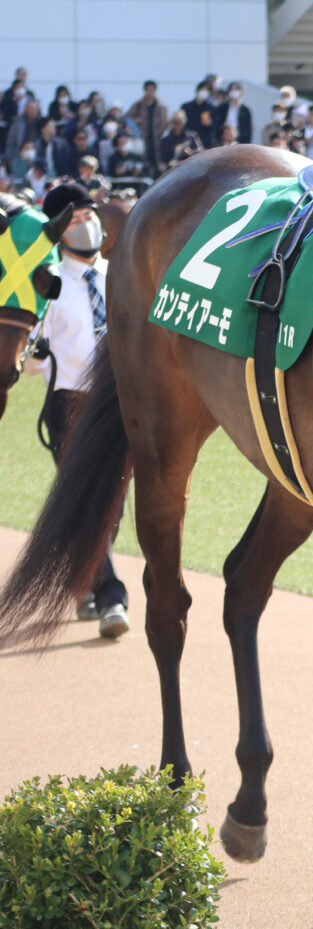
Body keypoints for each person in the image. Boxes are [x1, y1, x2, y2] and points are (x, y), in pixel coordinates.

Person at [23, 182, 130, 638]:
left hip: (124, 400)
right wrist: (35, 354)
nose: (86, 224)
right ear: (57, 230)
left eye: (89, 215)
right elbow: (25, 356)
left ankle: (81, 580)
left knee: (114, 503)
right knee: (93, 500)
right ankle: (112, 597)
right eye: (74, 218)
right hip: (70, 402)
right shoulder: (45, 282)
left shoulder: (124, 271)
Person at [126, 80, 168, 176]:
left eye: (152, 90)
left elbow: (165, 123)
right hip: (142, 140)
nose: (150, 92)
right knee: (143, 166)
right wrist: (135, 122)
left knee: (158, 167)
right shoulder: (138, 105)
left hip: (157, 141)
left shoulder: (161, 107)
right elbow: (127, 118)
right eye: (148, 90)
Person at [182, 81, 217, 149]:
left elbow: (216, 127)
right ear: (197, 90)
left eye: (207, 91)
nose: (204, 92)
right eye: (202, 90)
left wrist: (210, 124)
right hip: (190, 141)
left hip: (206, 142)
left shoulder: (211, 108)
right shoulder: (186, 107)